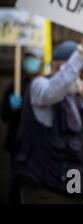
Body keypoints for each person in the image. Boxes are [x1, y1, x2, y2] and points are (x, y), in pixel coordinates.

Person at [15, 33, 83, 204]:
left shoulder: (76, 95)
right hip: (46, 189)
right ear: (61, 67)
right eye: (79, 71)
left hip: (73, 189)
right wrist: (81, 53)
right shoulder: (39, 85)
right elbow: (52, 91)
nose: (80, 77)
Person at [1, 46, 43, 204]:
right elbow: (4, 115)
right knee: (17, 182)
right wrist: (11, 107)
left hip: (39, 144)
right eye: (28, 57)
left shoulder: (45, 85)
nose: (30, 61)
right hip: (17, 143)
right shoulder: (15, 86)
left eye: (34, 58)